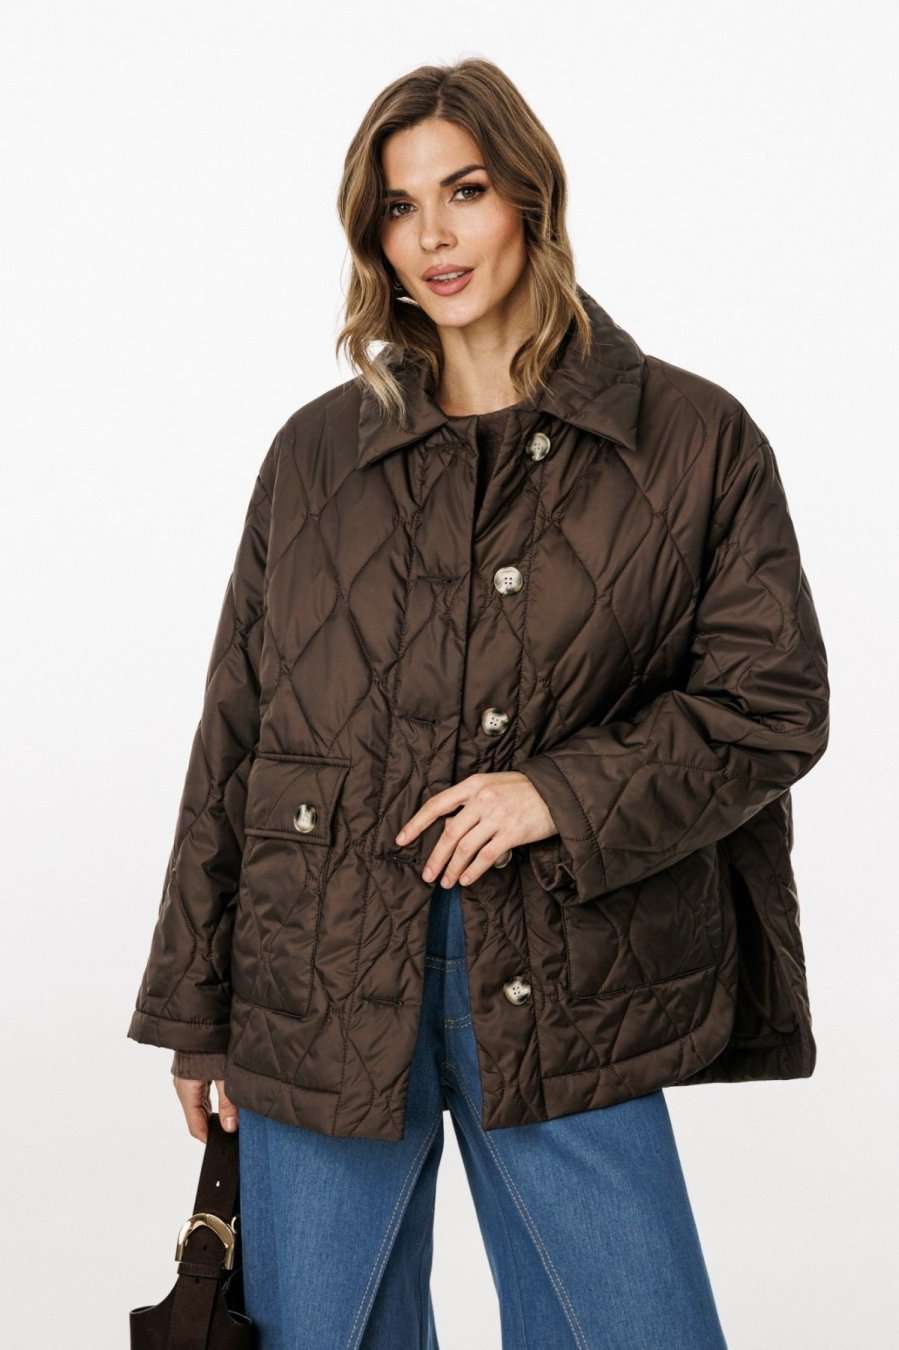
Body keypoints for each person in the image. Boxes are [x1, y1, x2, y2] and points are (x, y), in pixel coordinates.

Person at [127, 57, 830, 1349]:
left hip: (573, 970)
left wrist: (553, 794)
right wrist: (196, 1011)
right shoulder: (316, 454)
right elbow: (236, 733)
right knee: (319, 1333)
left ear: (530, 198)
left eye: (465, 191)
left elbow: (771, 700)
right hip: (319, 974)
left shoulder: (690, 438)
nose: (434, 237)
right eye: (400, 207)